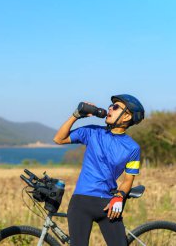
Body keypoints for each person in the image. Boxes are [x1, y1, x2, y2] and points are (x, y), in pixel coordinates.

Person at [53, 94, 145, 246]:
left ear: (127, 116)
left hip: (109, 204)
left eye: (115, 107)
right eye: (111, 105)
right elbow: (59, 139)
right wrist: (76, 115)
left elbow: (128, 180)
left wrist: (119, 196)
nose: (110, 108)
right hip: (81, 202)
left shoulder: (133, 148)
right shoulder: (92, 132)